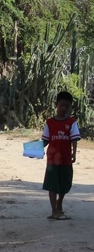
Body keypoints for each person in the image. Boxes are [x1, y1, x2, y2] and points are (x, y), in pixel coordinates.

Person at [41, 91, 80, 220]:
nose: (64, 108)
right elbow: (45, 140)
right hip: (52, 159)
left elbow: (74, 139)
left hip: (66, 159)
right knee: (52, 184)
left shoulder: (72, 122)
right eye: (62, 105)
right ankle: (54, 211)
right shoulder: (49, 123)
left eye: (67, 106)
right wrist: (34, 149)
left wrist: (74, 153)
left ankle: (59, 203)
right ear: (56, 104)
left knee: (65, 183)